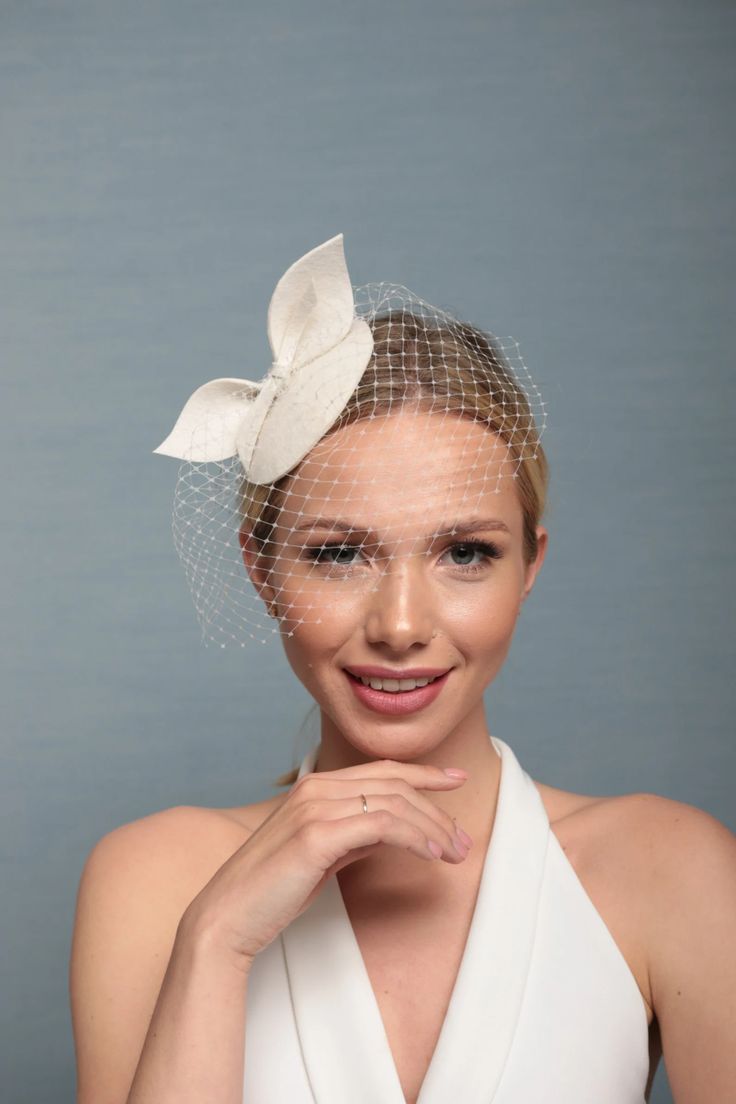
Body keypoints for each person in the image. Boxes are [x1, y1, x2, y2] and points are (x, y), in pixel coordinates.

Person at [70, 235, 736, 1104]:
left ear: (529, 565)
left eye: (465, 553)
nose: (402, 626)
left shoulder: (669, 871)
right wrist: (219, 938)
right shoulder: (156, 881)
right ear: (262, 571)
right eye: (340, 554)